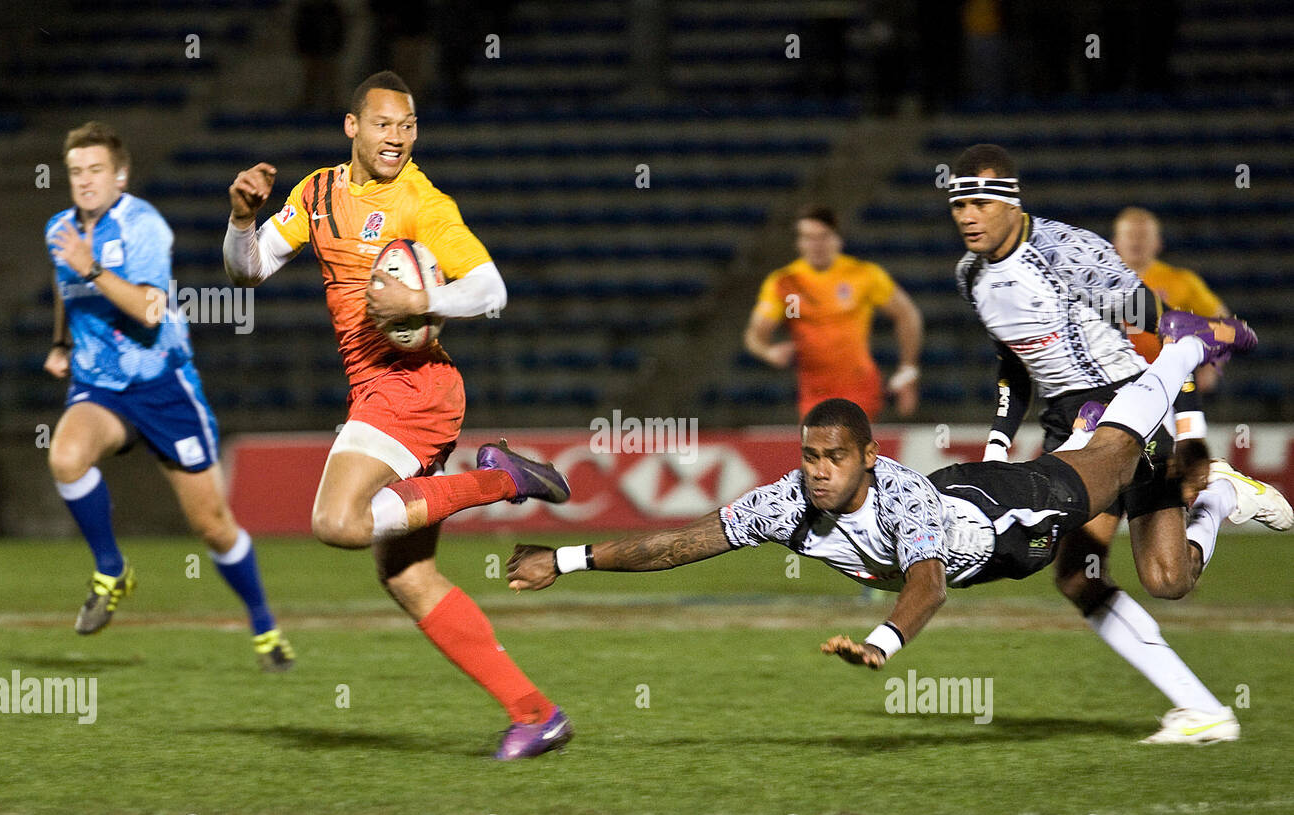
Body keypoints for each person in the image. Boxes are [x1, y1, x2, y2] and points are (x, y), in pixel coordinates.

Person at [510, 317, 1282, 743]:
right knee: (1154, 571)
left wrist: (882, 643)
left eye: (834, 459)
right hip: (965, 494)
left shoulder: (899, 500)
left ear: (869, 460)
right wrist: (566, 557)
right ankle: (1203, 496)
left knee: (1111, 456)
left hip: (1011, 514)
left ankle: (1181, 344)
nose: (818, 471)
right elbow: (677, 543)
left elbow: (928, 581)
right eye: (810, 456)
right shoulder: (784, 503)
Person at [222, 71, 572, 759]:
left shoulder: (422, 201)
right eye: (385, 124)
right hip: (384, 391)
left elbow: (491, 288)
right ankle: (536, 714)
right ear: (352, 128)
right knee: (408, 577)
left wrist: (425, 305)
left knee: (336, 520)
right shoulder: (317, 192)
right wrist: (240, 219)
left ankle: (498, 481)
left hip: (410, 388)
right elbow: (248, 271)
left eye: (409, 125)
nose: (398, 137)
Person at [945, 143, 1291, 727]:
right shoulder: (970, 276)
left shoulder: (1069, 253)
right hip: (1066, 421)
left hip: (1126, 406)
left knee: (1079, 572)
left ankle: (1200, 707)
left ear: (1011, 201)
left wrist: (1195, 412)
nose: (967, 217)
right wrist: (999, 440)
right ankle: (1220, 505)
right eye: (958, 205)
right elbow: (1012, 358)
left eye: (980, 202)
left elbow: (1166, 329)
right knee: (1164, 579)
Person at [44, 121, 291, 670]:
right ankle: (112, 570)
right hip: (100, 388)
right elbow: (67, 287)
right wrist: (61, 342)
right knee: (64, 456)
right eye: (75, 172)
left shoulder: (143, 226)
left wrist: (93, 268)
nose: (84, 182)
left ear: (120, 175)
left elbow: (151, 309)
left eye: (96, 171)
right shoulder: (60, 228)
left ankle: (264, 625)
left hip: (162, 387)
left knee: (212, 525)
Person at [744, 205, 924, 420]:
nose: (816, 245)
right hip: (813, 393)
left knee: (848, 449)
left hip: (859, 389)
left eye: (823, 237)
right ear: (799, 242)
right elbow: (755, 335)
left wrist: (908, 370)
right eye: (809, 238)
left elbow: (907, 314)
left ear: (838, 239)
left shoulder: (863, 275)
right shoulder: (785, 283)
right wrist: (768, 352)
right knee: (819, 452)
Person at [1113, 206, 1228, 498]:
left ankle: (1191, 508)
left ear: (1158, 243)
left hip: (1172, 384)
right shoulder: (1101, 279)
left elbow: (1222, 322)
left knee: (1179, 458)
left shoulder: (1180, 281)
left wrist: (1212, 366)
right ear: (1115, 242)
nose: (1137, 242)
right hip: (1115, 383)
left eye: (1144, 235)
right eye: (1130, 236)